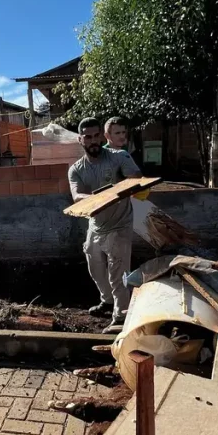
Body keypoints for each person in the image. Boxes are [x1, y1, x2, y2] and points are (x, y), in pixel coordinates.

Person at [68, 117, 142, 331]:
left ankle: (121, 317)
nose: (93, 141)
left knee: (118, 273)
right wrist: (98, 197)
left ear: (102, 136)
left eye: (96, 136)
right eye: (87, 137)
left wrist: (127, 183)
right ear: (80, 140)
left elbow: (136, 178)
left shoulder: (119, 157)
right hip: (96, 224)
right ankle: (107, 301)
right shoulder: (76, 169)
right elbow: (76, 196)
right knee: (95, 268)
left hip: (120, 224)